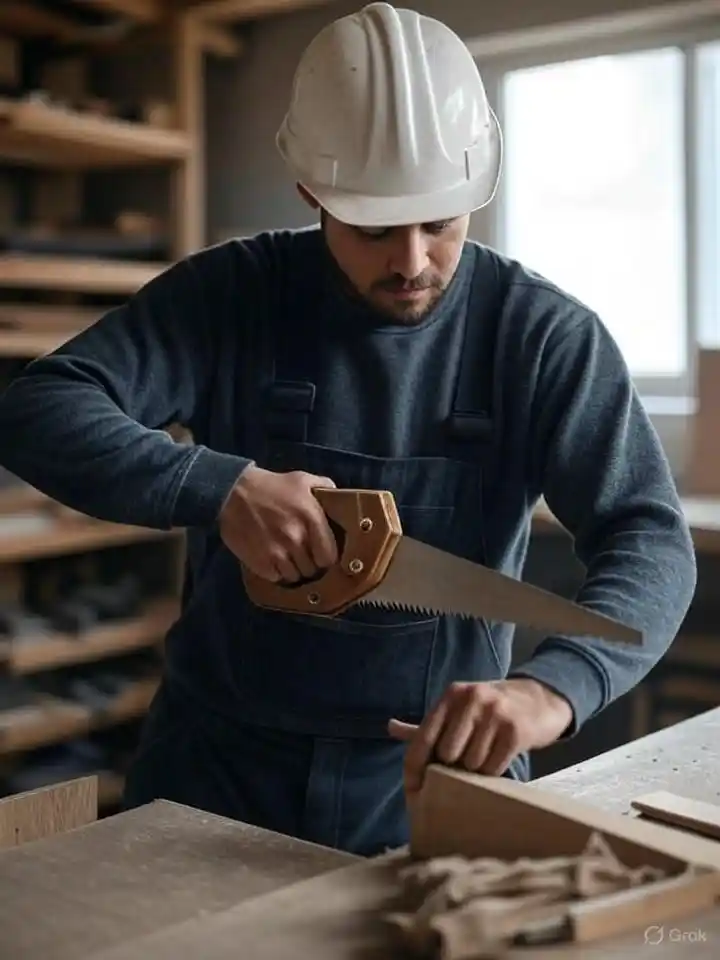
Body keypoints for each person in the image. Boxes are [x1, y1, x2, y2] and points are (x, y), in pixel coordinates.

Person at [0, 2, 695, 856]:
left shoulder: (543, 336)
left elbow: (650, 539)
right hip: (214, 767)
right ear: (312, 194)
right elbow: (37, 406)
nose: (410, 261)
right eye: (372, 229)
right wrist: (214, 486)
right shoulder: (230, 296)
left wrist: (553, 692)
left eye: (438, 223)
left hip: (431, 777)